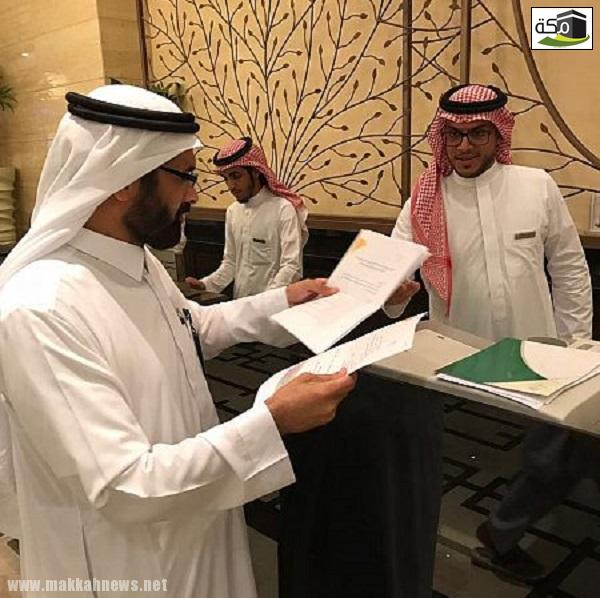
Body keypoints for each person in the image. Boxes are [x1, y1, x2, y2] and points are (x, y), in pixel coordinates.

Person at [0, 85, 356, 598]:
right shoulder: (42, 307)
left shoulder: (135, 259)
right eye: (184, 176)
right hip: (123, 562)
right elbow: (124, 484)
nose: (194, 195)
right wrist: (271, 422)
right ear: (124, 180)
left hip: (192, 516)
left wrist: (286, 300)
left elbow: (191, 328)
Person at [388, 83, 593, 583]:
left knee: (554, 451)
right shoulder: (424, 200)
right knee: (460, 452)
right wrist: (393, 295)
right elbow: (390, 275)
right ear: (441, 137)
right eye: (454, 135)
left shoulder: (536, 186)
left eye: (478, 133)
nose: (464, 146)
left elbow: (569, 267)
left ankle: (501, 532)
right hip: (457, 353)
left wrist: (576, 343)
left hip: (536, 350)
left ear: (498, 134)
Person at [185, 137, 307, 298]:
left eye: (236, 176)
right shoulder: (233, 212)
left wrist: (264, 302)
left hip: (275, 307)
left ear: (256, 172)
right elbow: (230, 263)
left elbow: (291, 268)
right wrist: (205, 285)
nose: (231, 186)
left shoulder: (283, 209)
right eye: (226, 178)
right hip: (240, 304)